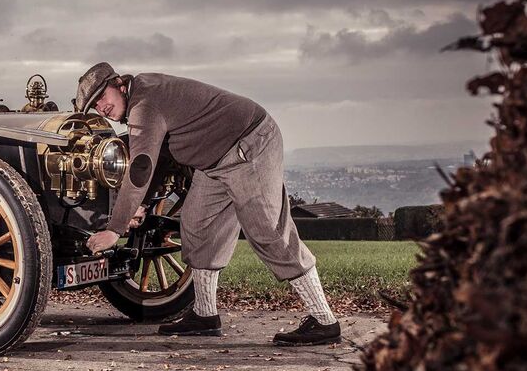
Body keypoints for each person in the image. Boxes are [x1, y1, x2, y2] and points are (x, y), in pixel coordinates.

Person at [75, 62, 340, 345]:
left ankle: (324, 321)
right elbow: (161, 158)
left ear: (118, 84)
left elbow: (140, 167)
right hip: (214, 162)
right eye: (95, 105)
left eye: (103, 96)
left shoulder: (144, 104)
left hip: (248, 144)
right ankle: (204, 315)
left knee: (268, 231)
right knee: (197, 224)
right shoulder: (143, 95)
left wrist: (115, 229)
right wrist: (143, 204)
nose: (101, 106)